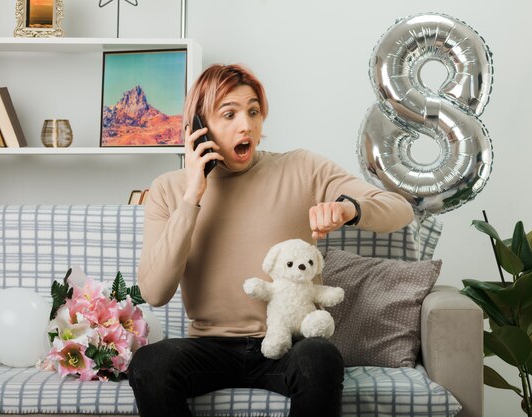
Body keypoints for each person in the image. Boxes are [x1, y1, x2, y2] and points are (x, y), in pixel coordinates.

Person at [127, 63, 414, 417]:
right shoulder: (168, 190)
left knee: (320, 357)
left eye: (253, 111)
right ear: (198, 130)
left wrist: (348, 209)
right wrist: (192, 197)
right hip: (209, 348)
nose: (245, 125)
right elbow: (155, 293)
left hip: (288, 343)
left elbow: (399, 208)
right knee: (149, 364)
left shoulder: (302, 168)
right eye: (228, 114)